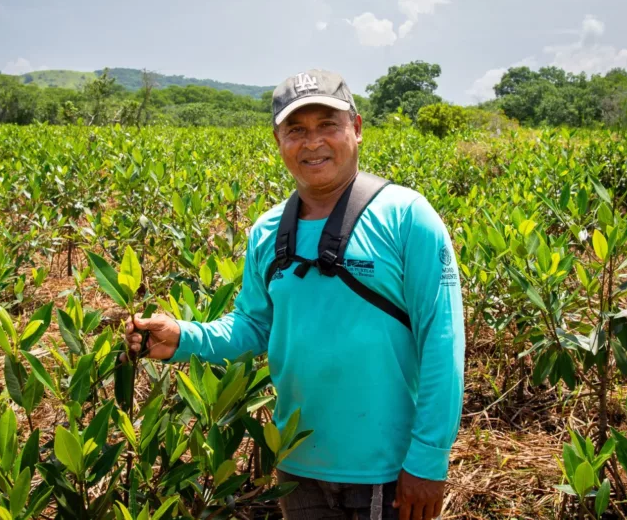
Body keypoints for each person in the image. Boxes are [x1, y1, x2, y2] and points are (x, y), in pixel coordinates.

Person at [123, 69, 465, 520]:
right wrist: (183, 337)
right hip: (296, 463)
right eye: (296, 130)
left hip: (386, 469)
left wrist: (427, 458)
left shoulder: (407, 216)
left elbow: (443, 343)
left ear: (356, 129)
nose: (312, 142)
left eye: (328, 125)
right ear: (278, 140)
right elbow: (253, 325)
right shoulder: (267, 230)